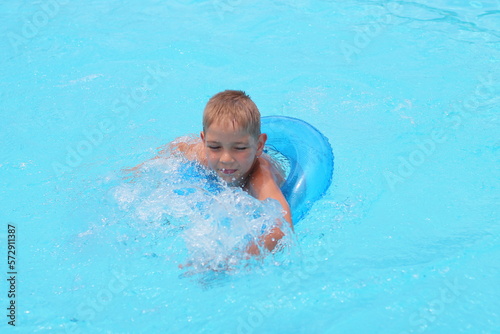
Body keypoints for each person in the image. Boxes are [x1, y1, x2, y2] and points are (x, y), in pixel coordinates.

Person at [155, 90, 293, 255]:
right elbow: (177, 147)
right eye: (214, 146)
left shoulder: (260, 175)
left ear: (259, 145)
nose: (226, 158)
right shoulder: (202, 155)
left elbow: (282, 227)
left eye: (240, 148)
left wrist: (234, 262)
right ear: (204, 141)